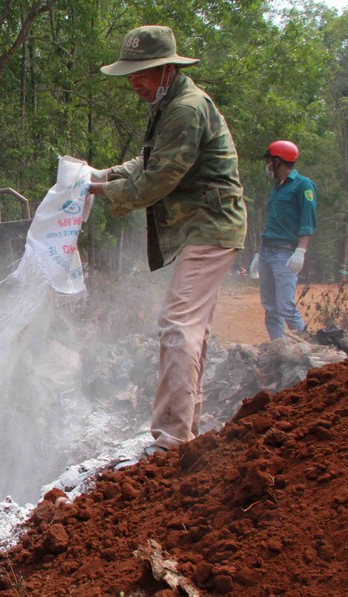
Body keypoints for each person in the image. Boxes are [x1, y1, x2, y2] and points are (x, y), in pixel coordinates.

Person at [86, 25, 247, 457]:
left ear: (167, 69)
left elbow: (159, 177)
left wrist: (104, 191)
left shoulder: (186, 108)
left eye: (141, 73)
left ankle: (172, 440)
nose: (133, 82)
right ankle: (183, 432)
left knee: (177, 325)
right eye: (131, 74)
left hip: (211, 226)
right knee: (191, 329)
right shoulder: (169, 103)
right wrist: (104, 175)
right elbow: (149, 159)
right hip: (201, 226)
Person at [258, 140, 317, 340]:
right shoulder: (277, 188)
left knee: (285, 305)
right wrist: (260, 252)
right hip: (267, 251)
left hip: (285, 253)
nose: (267, 167)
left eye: (268, 162)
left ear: (277, 161)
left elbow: (307, 221)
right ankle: (278, 347)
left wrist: (300, 251)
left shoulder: (303, 186)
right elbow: (272, 221)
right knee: (270, 306)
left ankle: (308, 346)